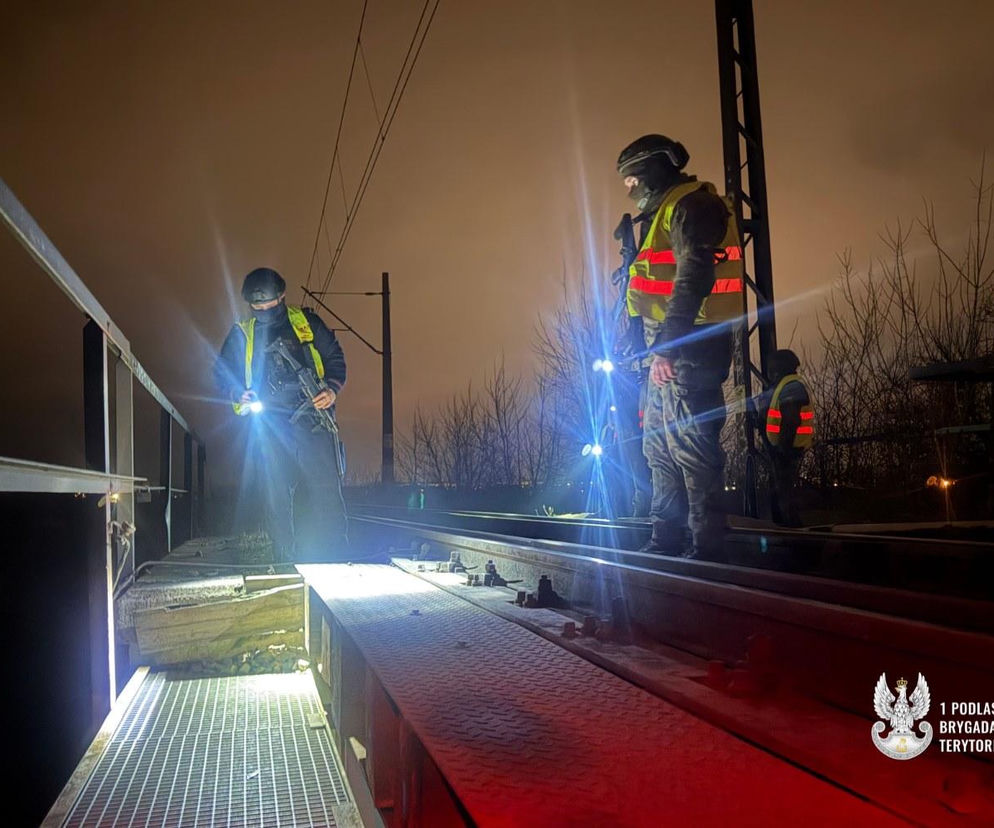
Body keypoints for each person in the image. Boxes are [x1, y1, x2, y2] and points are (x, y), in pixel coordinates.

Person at [617, 134, 745, 559]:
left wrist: (668, 347)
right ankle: (665, 538)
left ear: (655, 168)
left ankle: (707, 545)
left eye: (632, 179)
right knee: (659, 445)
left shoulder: (693, 206)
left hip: (692, 342)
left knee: (691, 442)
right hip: (668, 344)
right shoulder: (667, 213)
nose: (629, 189)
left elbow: (693, 278)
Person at [214, 267, 349, 561]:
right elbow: (222, 371)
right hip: (270, 426)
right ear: (250, 305)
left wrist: (333, 390)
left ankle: (337, 556)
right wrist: (237, 392)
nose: (264, 310)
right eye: (257, 307)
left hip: (314, 421)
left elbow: (336, 358)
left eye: (270, 305)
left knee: (326, 493)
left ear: (282, 297)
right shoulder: (242, 334)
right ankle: (284, 560)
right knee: (276, 498)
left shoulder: (307, 323)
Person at [761, 349, 814, 527]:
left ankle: (793, 533)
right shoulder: (787, 385)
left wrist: (783, 449)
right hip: (785, 448)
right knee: (782, 493)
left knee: (785, 494)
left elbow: (791, 420)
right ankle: (789, 530)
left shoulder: (791, 387)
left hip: (788, 449)